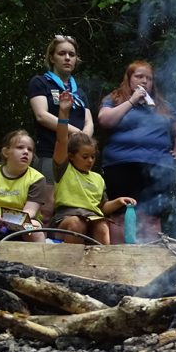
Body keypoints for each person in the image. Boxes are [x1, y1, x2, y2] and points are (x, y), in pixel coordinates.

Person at [97, 60, 176, 242]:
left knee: (152, 216)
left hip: (159, 166)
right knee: (121, 213)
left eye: (149, 78)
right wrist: (131, 101)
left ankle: (150, 259)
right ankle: (120, 257)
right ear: (129, 79)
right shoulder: (114, 99)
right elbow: (105, 120)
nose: (145, 81)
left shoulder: (163, 105)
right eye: (139, 76)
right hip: (121, 165)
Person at [52, 91, 136, 244]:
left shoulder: (98, 178)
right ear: (71, 156)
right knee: (76, 223)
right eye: (85, 157)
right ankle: (67, 264)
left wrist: (118, 201)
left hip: (93, 218)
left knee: (102, 225)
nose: (90, 160)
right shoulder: (64, 169)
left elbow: (102, 207)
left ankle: (102, 265)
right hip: (66, 220)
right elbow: (61, 141)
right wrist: (63, 112)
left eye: (92, 156)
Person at [28, 35, 94, 221]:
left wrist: (83, 140)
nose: (67, 58)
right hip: (50, 152)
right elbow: (42, 115)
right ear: (52, 57)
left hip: (77, 157)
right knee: (47, 208)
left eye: (71, 54)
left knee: (76, 207)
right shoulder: (41, 82)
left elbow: (89, 121)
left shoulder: (78, 91)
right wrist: (77, 133)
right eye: (62, 53)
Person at [0, 130, 48, 247]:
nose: (26, 152)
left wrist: (10, 219)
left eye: (30, 149)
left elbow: (31, 211)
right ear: (6, 152)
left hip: (24, 221)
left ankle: (40, 264)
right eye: (20, 147)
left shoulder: (38, 178)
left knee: (35, 230)